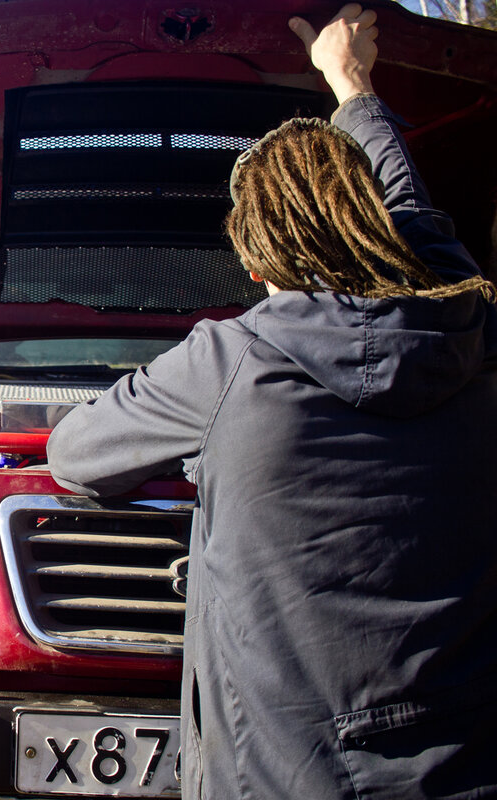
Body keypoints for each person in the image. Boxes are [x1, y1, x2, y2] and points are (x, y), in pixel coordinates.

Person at [47, 5, 497, 798]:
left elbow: (74, 456)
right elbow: (413, 215)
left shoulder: (230, 358)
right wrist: (349, 84)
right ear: (378, 225)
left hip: (290, 774)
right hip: (465, 755)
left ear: (255, 265)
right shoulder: (466, 319)